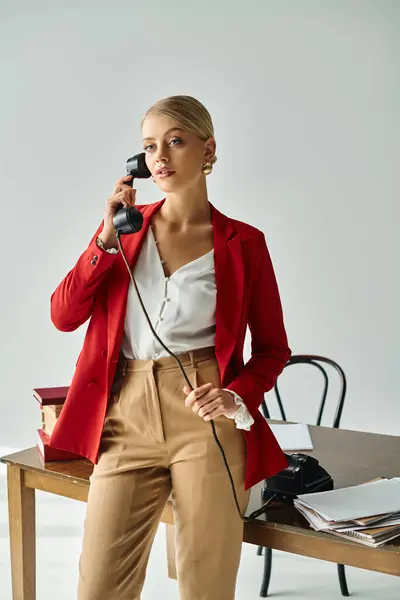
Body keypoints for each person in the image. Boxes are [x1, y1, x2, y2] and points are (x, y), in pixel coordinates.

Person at [49, 95, 291, 600]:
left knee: (205, 583)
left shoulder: (244, 243)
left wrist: (236, 395)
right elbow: (63, 315)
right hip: (126, 416)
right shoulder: (124, 235)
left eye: (175, 142)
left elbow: (272, 348)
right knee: (99, 586)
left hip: (205, 421)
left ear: (208, 150)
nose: (160, 157)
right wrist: (102, 240)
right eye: (150, 146)